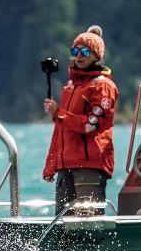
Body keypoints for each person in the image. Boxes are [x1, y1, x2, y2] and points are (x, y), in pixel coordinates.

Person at [42, 25, 119, 215]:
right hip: (66, 165)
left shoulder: (103, 85)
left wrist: (58, 114)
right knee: (62, 225)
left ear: (97, 56)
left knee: (88, 225)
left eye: (85, 51)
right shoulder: (70, 86)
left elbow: (91, 125)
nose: (79, 56)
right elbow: (60, 131)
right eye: (75, 51)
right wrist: (51, 165)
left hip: (89, 166)